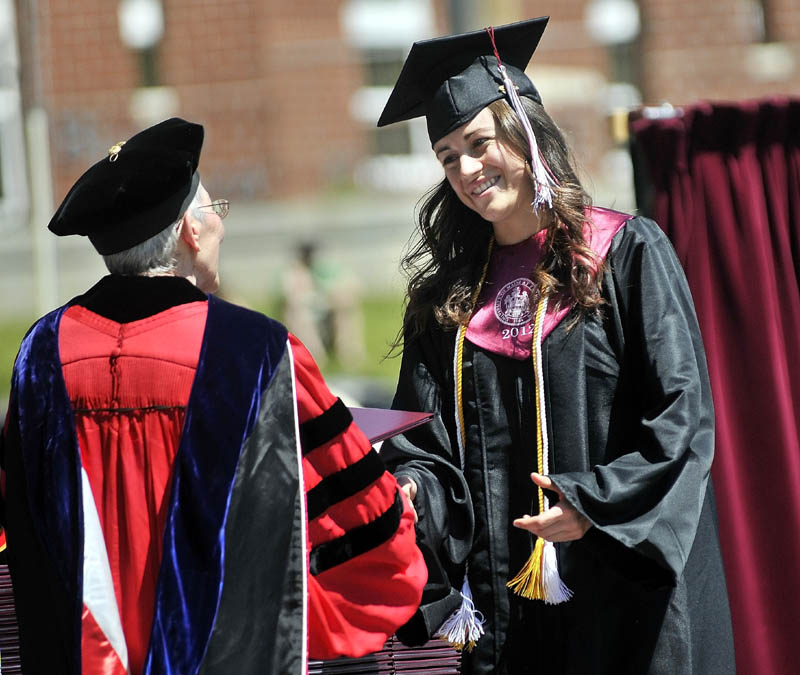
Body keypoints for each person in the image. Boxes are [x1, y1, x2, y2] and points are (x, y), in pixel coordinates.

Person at [0, 118, 426, 674]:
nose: (221, 223)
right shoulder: (256, 352)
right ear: (189, 233)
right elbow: (361, 513)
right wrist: (400, 518)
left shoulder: (42, 354)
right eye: (214, 208)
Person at [377, 17, 735, 674]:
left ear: (525, 134)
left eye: (479, 143)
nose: (465, 168)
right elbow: (424, 449)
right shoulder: (445, 304)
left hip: (623, 600)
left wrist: (592, 503)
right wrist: (408, 490)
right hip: (507, 613)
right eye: (448, 156)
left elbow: (682, 423)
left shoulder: (625, 255)